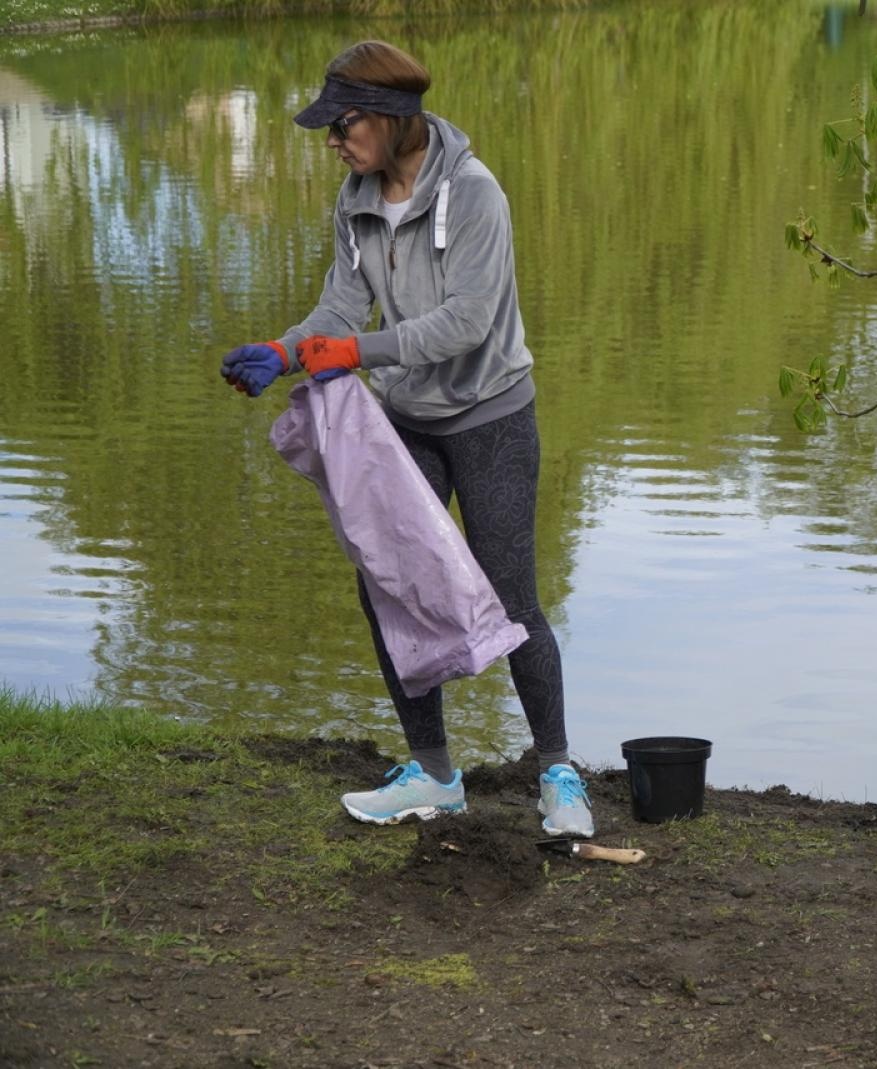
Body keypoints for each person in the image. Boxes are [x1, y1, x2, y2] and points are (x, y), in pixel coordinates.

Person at [219, 40, 592, 836]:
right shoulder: (356, 199)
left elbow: (465, 325)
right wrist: (286, 350)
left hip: (492, 414)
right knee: (387, 582)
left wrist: (354, 353)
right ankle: (433, 772)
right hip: (407, 421)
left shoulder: (476, 194)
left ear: (390, 118)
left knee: (511, 593)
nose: (332, 139)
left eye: (342, 123)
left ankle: (558, 773)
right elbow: (340, 311)